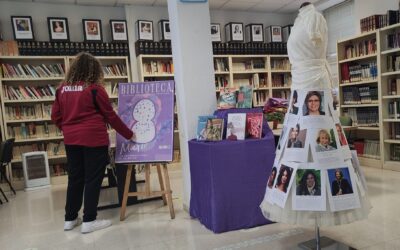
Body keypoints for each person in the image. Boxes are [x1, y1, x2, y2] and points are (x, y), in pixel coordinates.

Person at [51, 52, 135, 234]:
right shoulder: (95, 89)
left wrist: (68, 129)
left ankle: (70, 219)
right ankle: (89, 220)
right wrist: (129, 134)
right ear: (94, 70)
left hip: (71, 140)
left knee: (75, 178)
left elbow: (55, 116)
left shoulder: (61, 90)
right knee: (92, 179)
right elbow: (110, 117)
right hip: (93, 139)